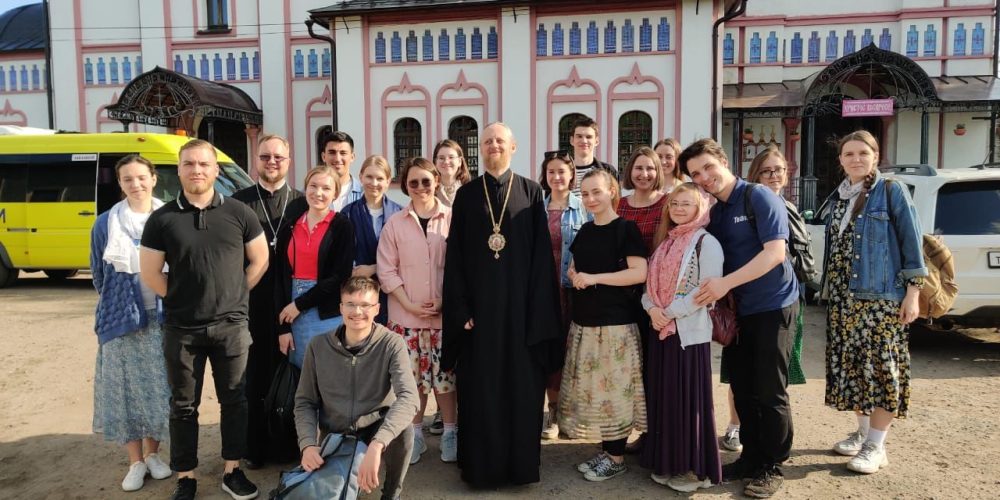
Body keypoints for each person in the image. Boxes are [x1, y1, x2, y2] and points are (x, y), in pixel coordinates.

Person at [139, 139, 269, 500]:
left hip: (231, 327)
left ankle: (232, 470)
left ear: (215, 170)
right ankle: (186, 476)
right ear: (178, 170)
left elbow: (259, 260)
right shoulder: (162, 218)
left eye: (203, 164)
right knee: (183, 406)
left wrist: (236, 294)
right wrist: (183, 300)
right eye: (189, 164)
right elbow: (150, 273)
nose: (197, 170)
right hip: (182, 329)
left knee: (235, 400)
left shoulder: (239, 213)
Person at [441, 122, 563, 487]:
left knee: (522, 391)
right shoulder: (466, 195)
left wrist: (538, 315)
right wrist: (460, 311)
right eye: (488, 141)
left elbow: (542, 259)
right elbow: (456, 259)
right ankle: (481, 470)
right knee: (480, 391)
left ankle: (520, 469)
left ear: (514, 146)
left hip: (521, 315)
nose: (493, 145)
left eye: (500, 140)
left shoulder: (529, 190)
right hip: (479, 316)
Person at [681, 138, 799, 499]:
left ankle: (772, 465)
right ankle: (750, 457)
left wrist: (723, 285)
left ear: (723, 159)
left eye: (707, 168)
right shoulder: (714, 211)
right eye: (695, 174)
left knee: (770, 390)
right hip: (739, 312)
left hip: (773, 306)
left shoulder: (758, 196)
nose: (704, 177)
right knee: (743, 388)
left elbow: (775, 253)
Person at [821, 131, 925, 474]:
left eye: (863, 153)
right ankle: (863, 433)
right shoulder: (839, 197)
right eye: (848, 153)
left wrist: (913, 292)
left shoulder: (892, 191)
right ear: (841, 160)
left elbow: (912, 243)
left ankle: (876, 446)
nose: (855, 159)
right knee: (854, 371)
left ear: (876, 156)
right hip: (843, 300)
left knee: (881, 372)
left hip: (880, 299)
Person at [294, 276, 420, 500]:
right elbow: (305, 401)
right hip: (335, 432)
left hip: (374, 427)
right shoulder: (318, 346)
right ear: (341, 307)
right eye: (350, 304)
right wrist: (308, 445)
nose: (357, 312)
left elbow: (410, 398)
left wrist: (378, 443)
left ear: (377, 308)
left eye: (365, 305)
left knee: (404, 429)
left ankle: (391, 494)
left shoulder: (392, 343)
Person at [559, 169, 647, 482]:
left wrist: (595, 279)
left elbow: (639, 272)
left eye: (597, 191)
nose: (591, 199)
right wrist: (574, 274)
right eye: (585, 193)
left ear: (612, 191)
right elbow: (574, 265)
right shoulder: (584, 230)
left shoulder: (626, 229)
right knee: (597, 392)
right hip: (585, 323)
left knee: (616, 395)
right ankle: (608, 450)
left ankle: (616, 457)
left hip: (615, 325)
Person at [90, 154, 172, 492]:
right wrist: (123, 304)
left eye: (141, 177)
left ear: (154, 179)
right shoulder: (106, 223)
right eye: (128, 179)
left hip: (164, 319)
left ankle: (154, 454)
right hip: (123, 322)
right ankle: (135, 461)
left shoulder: (169, 217)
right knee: (124, 393)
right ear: (120, 184)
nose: (135, 184)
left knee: (159, 389)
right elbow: (98, 274)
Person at [640, 183, 723, 492]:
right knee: (665, 400)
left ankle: (691, 469)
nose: (679, 209)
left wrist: (670, 312)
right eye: (674, 204)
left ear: (700, 207)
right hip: (660, 330)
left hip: (687, 334)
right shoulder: (664, 243)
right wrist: (652, 310)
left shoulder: (706, 242)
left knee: (688, 402)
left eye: (686, 204)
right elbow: (648, 287)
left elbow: (707, 292)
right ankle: (667, 462)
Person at [377, 157, 458, 465]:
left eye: (426, 181)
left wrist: (445, 300)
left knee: (445, 379)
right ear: (405, 185)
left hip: (442, 317)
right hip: (405, 318)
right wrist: (408, 303)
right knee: (413, 382)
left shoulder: (451, 218)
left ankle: (450, 432)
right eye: (414, 182)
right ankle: (416, 434)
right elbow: (386, 270)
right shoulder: (395, 224)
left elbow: (460, 266)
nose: (421, 187)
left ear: (436, 181)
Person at [231, 134, 305, 468]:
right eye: (265, 157)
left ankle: (291, 448)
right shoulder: (237, 202)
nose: (272, 162)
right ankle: (256, 448)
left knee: (293, 378)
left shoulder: (303, 202)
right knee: (255, 378)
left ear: (289, 160)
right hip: (253, 303)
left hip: (293, 302)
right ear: (256, 161)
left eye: (278, 157)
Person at [274, 165, 356, 369]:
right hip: (292, 310)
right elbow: (280, 277)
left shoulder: (341, 226)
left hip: (325, 310)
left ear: (335, 193)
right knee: (301, 375)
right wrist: (283, 327)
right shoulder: (290, 226)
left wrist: (299, 305)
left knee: (329, 373)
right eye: (313, 186)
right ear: (305, 188)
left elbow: (340, 275)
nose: (318, 193)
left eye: (326, 188)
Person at [538, 151, 589, 440]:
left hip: (575, 291)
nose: (557, 177)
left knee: (576, 352)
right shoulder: (536, 209)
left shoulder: (583, 208)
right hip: (545, 293)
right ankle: (554, 413)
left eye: (562, 171)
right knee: (551, 352)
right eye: (551, 172)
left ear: (571, 174)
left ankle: (574, 413)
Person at [343, 155, 403, 326]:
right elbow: (342, 257)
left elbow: (406, 257)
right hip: (359, 294)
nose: (374, 183)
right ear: (360, 177)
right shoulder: (347, 214)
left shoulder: (400, 214)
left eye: (380, 178)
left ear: (388, 181)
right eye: (369, 177)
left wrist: (374, 268)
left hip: (393, 294)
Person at [569, 116, 618, 193]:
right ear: (572, 140)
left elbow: (616, 202)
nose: (584, 141)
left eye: (588, 137)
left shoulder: (608, 171)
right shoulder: (562, 172)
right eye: (579, 136)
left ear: (596, 141)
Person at [321, 130, 365, 211]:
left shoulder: (364, 195)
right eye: (332, 152)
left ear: (352, 157)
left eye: (343, 153)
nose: (337, 159)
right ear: (323, 156)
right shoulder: (310, 194)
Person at [433, 139, 473, 207]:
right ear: (435, 162)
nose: (446, 162)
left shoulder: (471, 190)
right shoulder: (430, 190)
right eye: (441, 158)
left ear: (460, 161)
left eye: (451, 157)